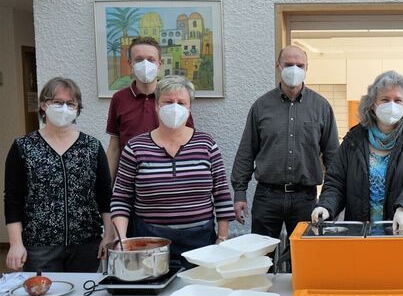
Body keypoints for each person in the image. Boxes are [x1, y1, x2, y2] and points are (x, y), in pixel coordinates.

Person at [110, 76, 233, 268]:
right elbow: (121, 197)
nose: (175, 107)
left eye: (181, 102)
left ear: (189, 108)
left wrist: (222, 237)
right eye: (168, 102)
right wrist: (122, 239)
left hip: (200, 241)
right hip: (149, 242)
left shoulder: (206, 144)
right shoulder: (135, 147)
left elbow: (222, 195)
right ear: (157, 107)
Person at [4, 77, 114, 272]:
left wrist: (108, 235)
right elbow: (13, 199)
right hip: (39, 245)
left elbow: (105, 194)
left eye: (70, 103)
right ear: (43, 105)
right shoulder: (23, 147)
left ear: (78, 108)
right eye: (57, 102)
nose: (64, 108)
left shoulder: (92, 147)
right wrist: (15, 243)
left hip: (86, 243)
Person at [231, 45, 339, 241]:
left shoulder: (321, 107)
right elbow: (247, 151)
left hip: (305, 198)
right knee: (262, 257)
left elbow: (333, 158)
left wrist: (330, 200)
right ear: (278, 66)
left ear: (307, 68)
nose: (294, 69)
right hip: (267, 196)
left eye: (300, 65)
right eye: (289, 64)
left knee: (304, 259)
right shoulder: (261, 107)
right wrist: (240, 192)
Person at [311, 71, 403, 230]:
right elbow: (336, 181)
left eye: (397, 100)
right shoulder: (354, 140)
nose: (391, 105)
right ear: (372, 104)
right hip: (361, 230)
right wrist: (326, 206)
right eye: (384, 99)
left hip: (402, 230)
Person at [105, 36, 193, 180]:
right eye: (139, 60)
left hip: (166, 180)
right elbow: (114, 148)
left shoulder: (173, 98)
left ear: (160, 63)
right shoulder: (119, 99)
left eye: (151, 59)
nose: (145, 64)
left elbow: (188, 141)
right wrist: (108, 188)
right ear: (130, 63)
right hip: (129, 180)